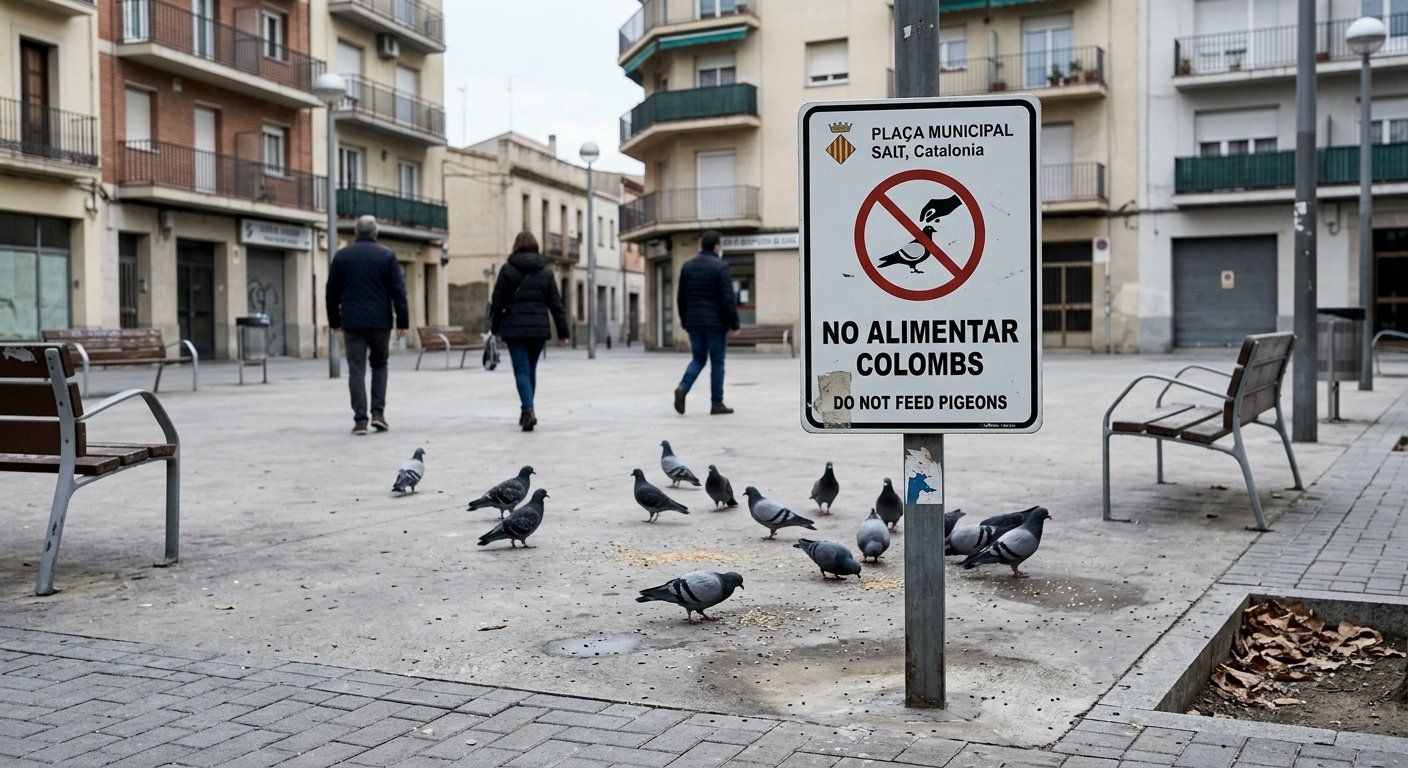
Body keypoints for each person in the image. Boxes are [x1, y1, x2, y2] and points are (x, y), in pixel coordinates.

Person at [327, 215, 408, 435]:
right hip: (381, 321)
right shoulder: (387, 256)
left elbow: (331, 292)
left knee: (356, 369)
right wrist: (403, 321)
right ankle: (378, 414)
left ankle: (361, 420)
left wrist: (334, 321)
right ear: (376, 233)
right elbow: (398, 292)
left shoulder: (342, 256)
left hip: (352, 322)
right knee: (380, 365)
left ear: (355, 232)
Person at [489, 231, 570, 431]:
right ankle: (527, 410)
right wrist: (563, 332)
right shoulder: (546, 271)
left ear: (516, 246)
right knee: (530, 370)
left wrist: (493, 327)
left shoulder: (507, 269)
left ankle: (528, 410)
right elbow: (556, 304)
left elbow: (497, 302)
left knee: (521, 370)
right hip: (538, 331)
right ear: (535, 246)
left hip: (514, 330)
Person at [674, 230, 740, 415]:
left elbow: (681, 298)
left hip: (694, 323)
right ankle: (717, 403)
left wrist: (685, 320)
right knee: (717, 363)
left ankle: (683, 387)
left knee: (698, 359)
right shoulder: (721, 267)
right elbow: (728, 299)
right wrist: (734, 324)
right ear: (717, 246)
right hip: (716, 325)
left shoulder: (687, 266)